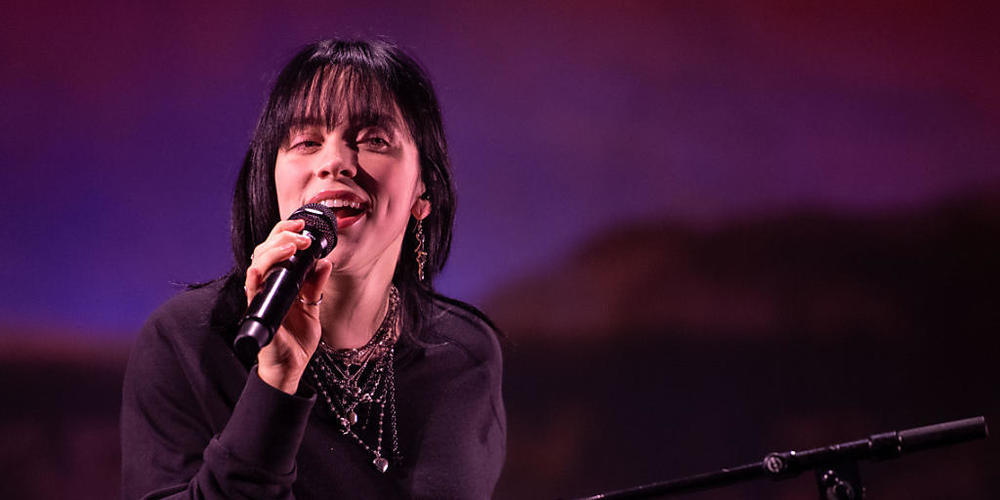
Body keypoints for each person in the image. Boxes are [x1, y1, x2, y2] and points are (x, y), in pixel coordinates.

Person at [121, 39, 506, 499]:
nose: (335, 163)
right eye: (306, 141)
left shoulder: (462, 355)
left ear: (425, 191)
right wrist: (275, 383)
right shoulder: (186, 344)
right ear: (272, 177)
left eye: (373, 140)